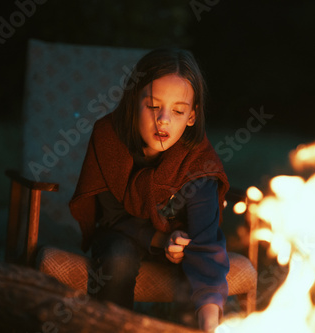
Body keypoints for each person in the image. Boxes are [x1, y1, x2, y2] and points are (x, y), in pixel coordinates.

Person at [69, 48, 230, 332]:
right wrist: (161, 239)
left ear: (192, 116)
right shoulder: (109, 138)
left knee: (194, 268)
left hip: (180, 245)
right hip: (122, 232)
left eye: (178, 110)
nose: (163, 119)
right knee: (116, 256)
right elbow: (110, 218)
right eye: (154, 106)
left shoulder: (198, 162)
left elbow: (206, 244)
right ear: (134, 102)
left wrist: (210, 324)